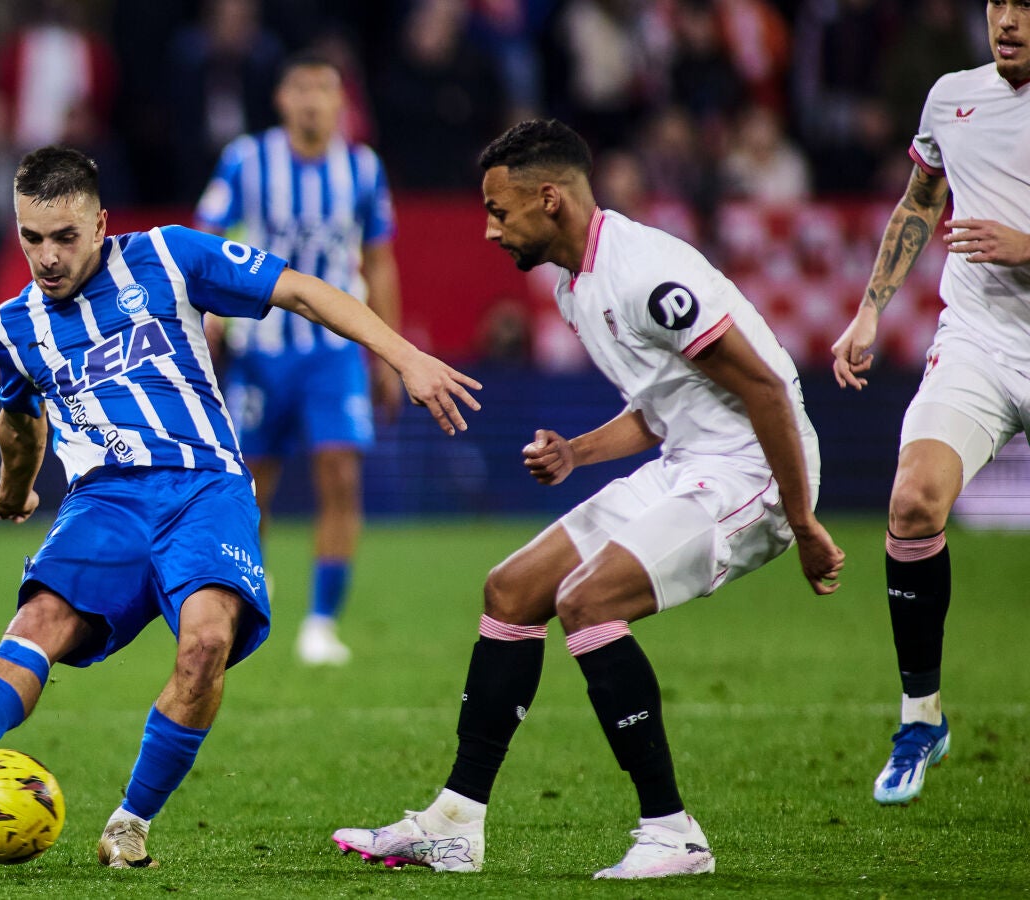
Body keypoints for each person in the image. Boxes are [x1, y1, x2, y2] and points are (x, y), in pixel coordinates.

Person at [0, 146, 479, 869]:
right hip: (104, 500)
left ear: (100, 224)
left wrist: (404, 356)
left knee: (205, 646)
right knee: (40, 621)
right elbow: (19, 418)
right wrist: (14, 486)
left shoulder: (169, 256)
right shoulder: (14, 325)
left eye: (64, 237)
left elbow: (302, 291)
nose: (46, 257)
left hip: (205, 487)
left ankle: (130, 822)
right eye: (31, 237)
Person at [332, 119, 844, 880]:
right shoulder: (575, 284)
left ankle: (673, 833)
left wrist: (801, 521)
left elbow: (765, 389)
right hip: (688, 462)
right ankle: (454, 824)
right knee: (511, 589)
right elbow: (663, 405)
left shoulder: (645, 275)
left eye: (499, 211)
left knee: (587, 600)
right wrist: (578, 452)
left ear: (550, 199)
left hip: (755, 473)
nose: (489, 230)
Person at [830, 0, 1030, 807]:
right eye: (998, 2)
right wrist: (869, 308)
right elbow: (920, 199)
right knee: (912, 502)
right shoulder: (952, 96)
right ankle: (921, 719)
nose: (1008, 20)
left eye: (1025, 5)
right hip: (979, 342)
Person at [194, 52, 402, 666]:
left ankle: (321, 623)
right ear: (282, 99)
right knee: (249, 490)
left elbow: (380, 260)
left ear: (341, 102)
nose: (312, 100)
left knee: (340, 476)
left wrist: (389, 353)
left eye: (324, 89)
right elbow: (206, 238)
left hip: (334, 353)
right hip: (260, 350)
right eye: (301, 89)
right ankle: (245, 597)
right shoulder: (246, 159)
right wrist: (208, 315)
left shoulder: (363, 168)